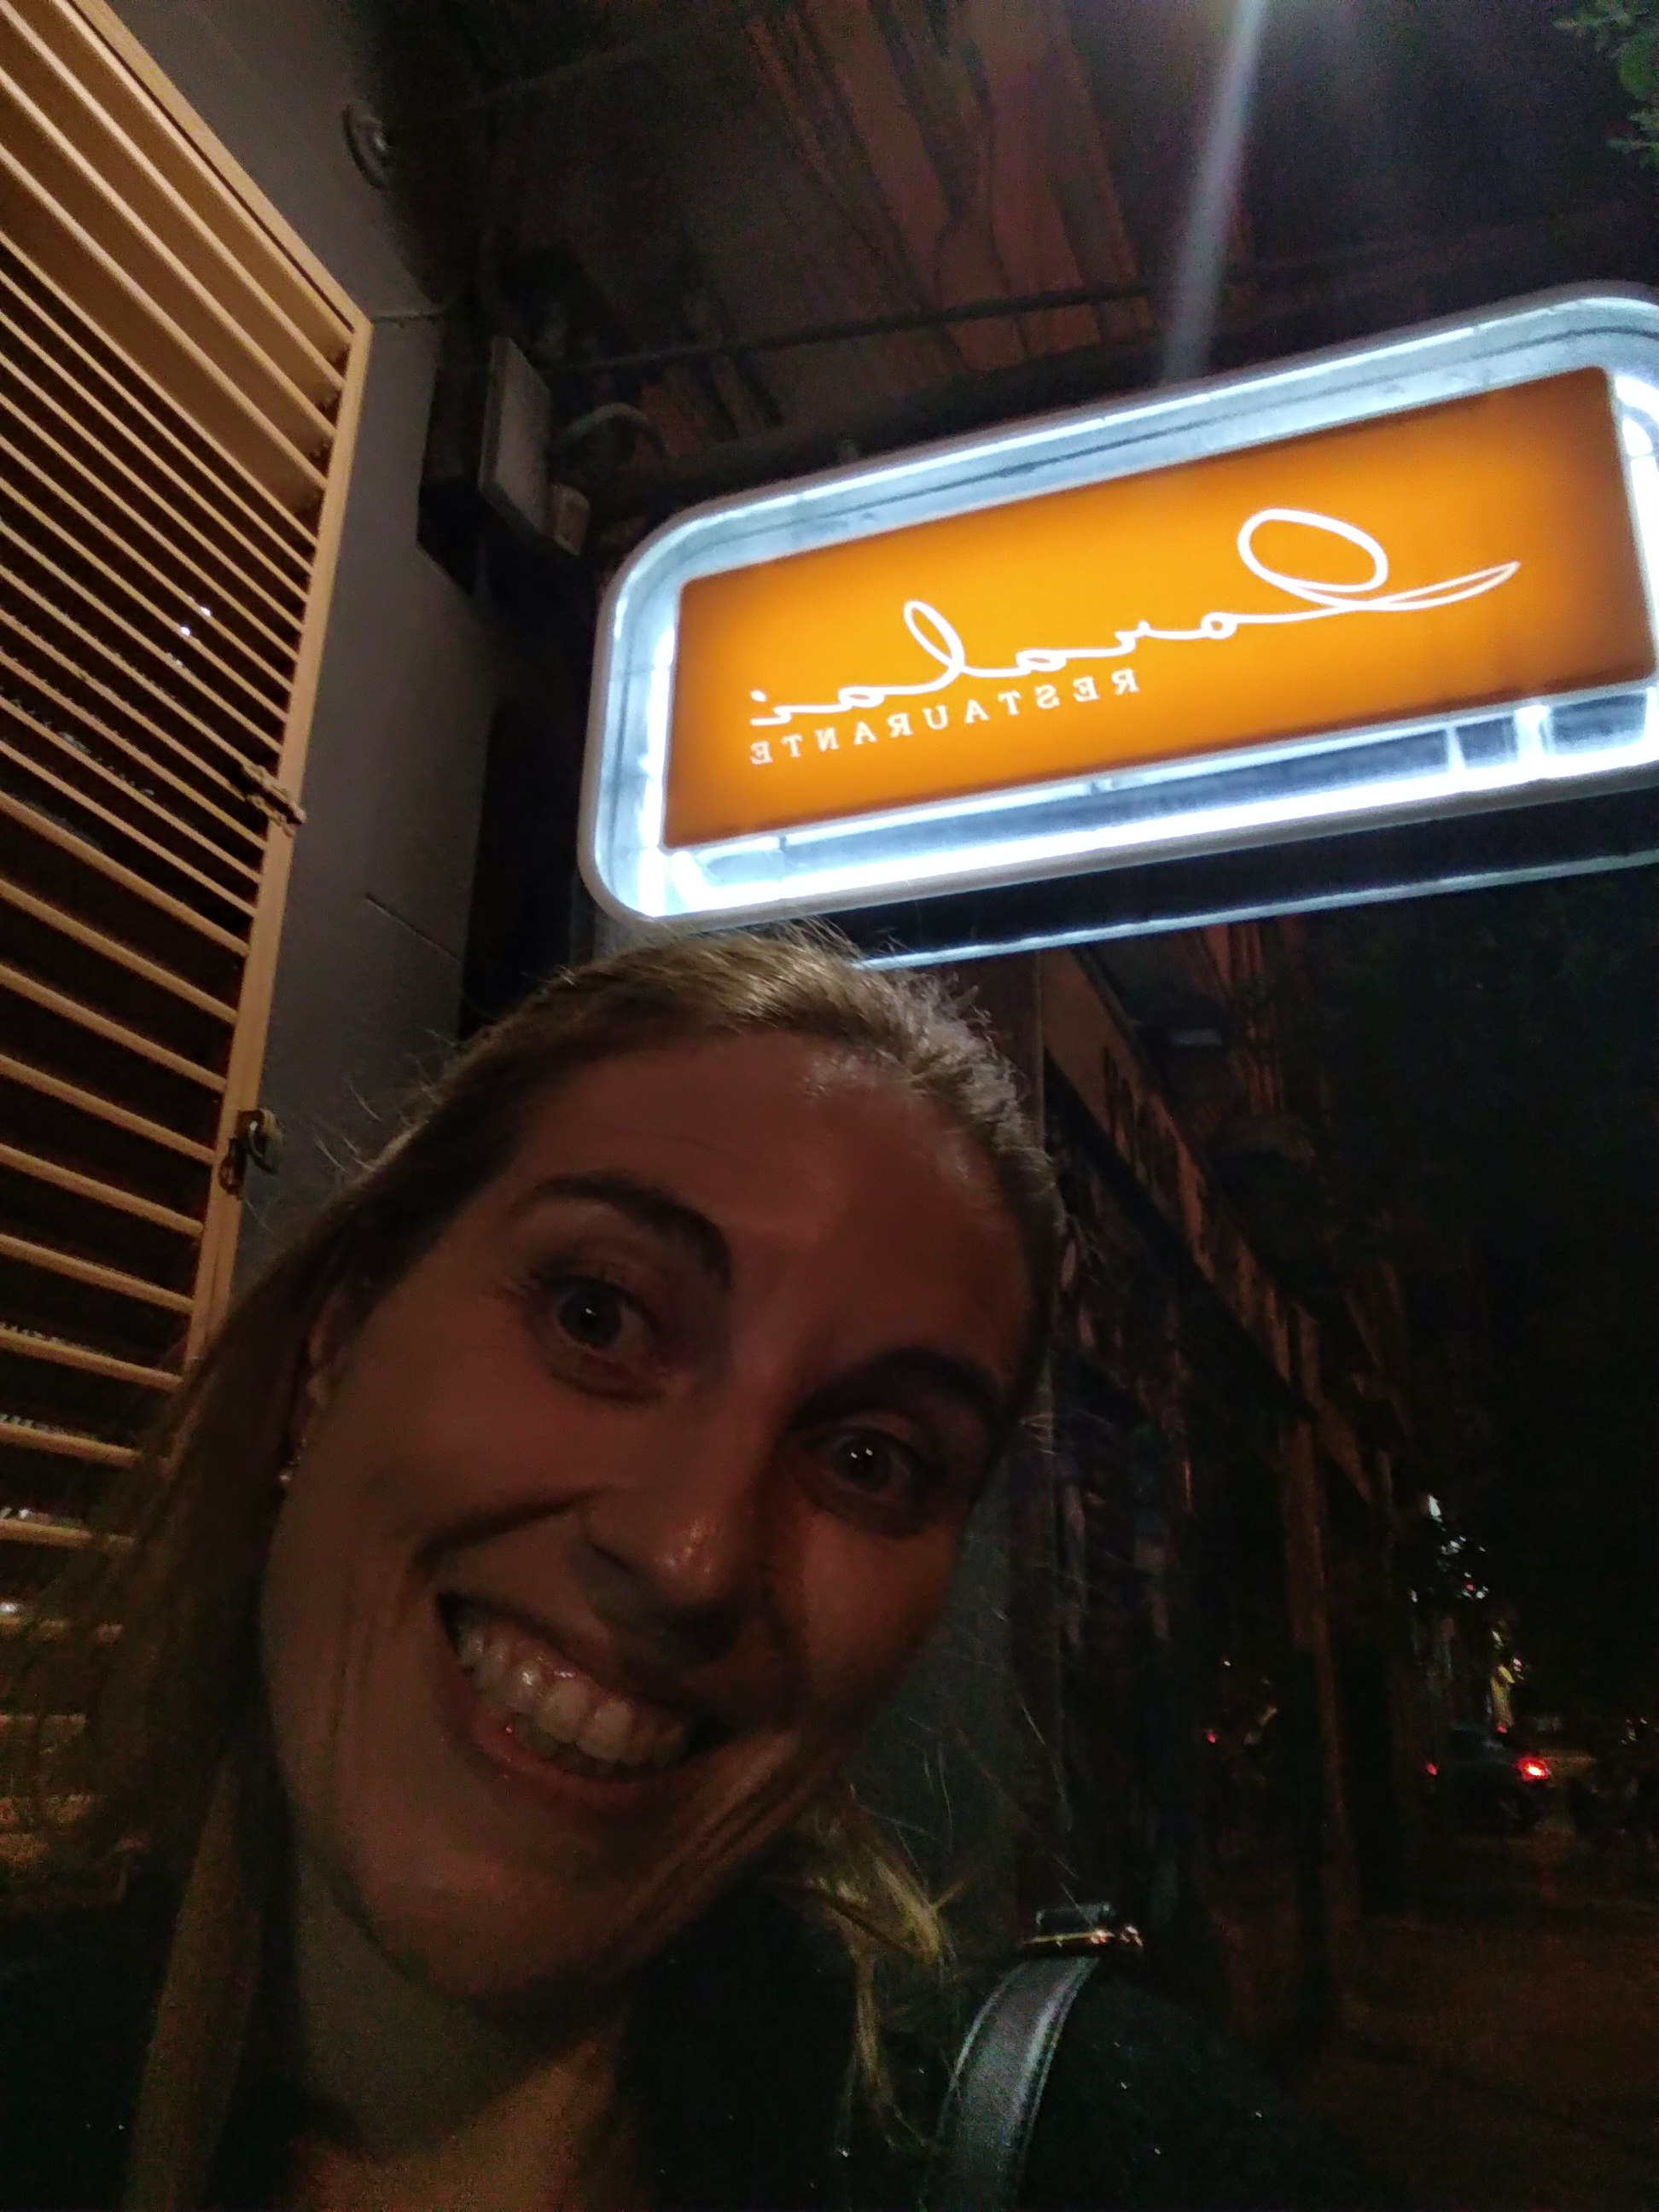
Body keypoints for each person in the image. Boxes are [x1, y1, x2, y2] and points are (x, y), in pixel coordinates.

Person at [0, 930, 1365, 2209]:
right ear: (332, 1353)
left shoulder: (1113, 2156)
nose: (689, 1557)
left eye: (872, 1460)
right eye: (598, 1317)